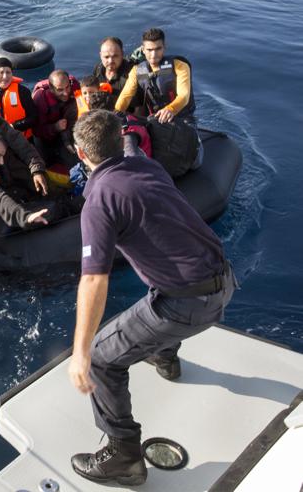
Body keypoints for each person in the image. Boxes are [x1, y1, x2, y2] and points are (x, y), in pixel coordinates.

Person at [67, 110, 235, 485]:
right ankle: (166, 358)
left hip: (188, 303)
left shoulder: (99, 199)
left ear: (80, 154)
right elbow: (129, 144)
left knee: (101, 360)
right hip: (222, 281)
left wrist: (80, 353)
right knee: (155, 292)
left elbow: (94, 281)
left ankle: (123, 457)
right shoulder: (146, 165)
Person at [115, 28, 196, 125]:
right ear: (143, 50)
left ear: (164, 47)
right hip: (155, 118)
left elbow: (184, 96)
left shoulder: (180, 66)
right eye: (149, 50)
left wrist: (170, 109)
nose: (153, 55)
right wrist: (116, 114)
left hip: (182, 117)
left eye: (158, 49)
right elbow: (125, 96)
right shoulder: (137, 70)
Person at [0, 57, 36, 139]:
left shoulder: (22, 91)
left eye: (8, 72)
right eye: (1, 72)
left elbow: (34, 117)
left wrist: (14, 126)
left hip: (20, 139)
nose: (5, 76)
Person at [32, 69, 79, 168]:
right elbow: (37, 131)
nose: (66, 93)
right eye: (60, 90)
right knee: (45, 162)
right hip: (45, 136)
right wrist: (55, 127)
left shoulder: (75, 87)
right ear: (51, 89)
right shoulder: (40, 99)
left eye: (67, 87)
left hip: (67, 131)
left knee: (75, 160)